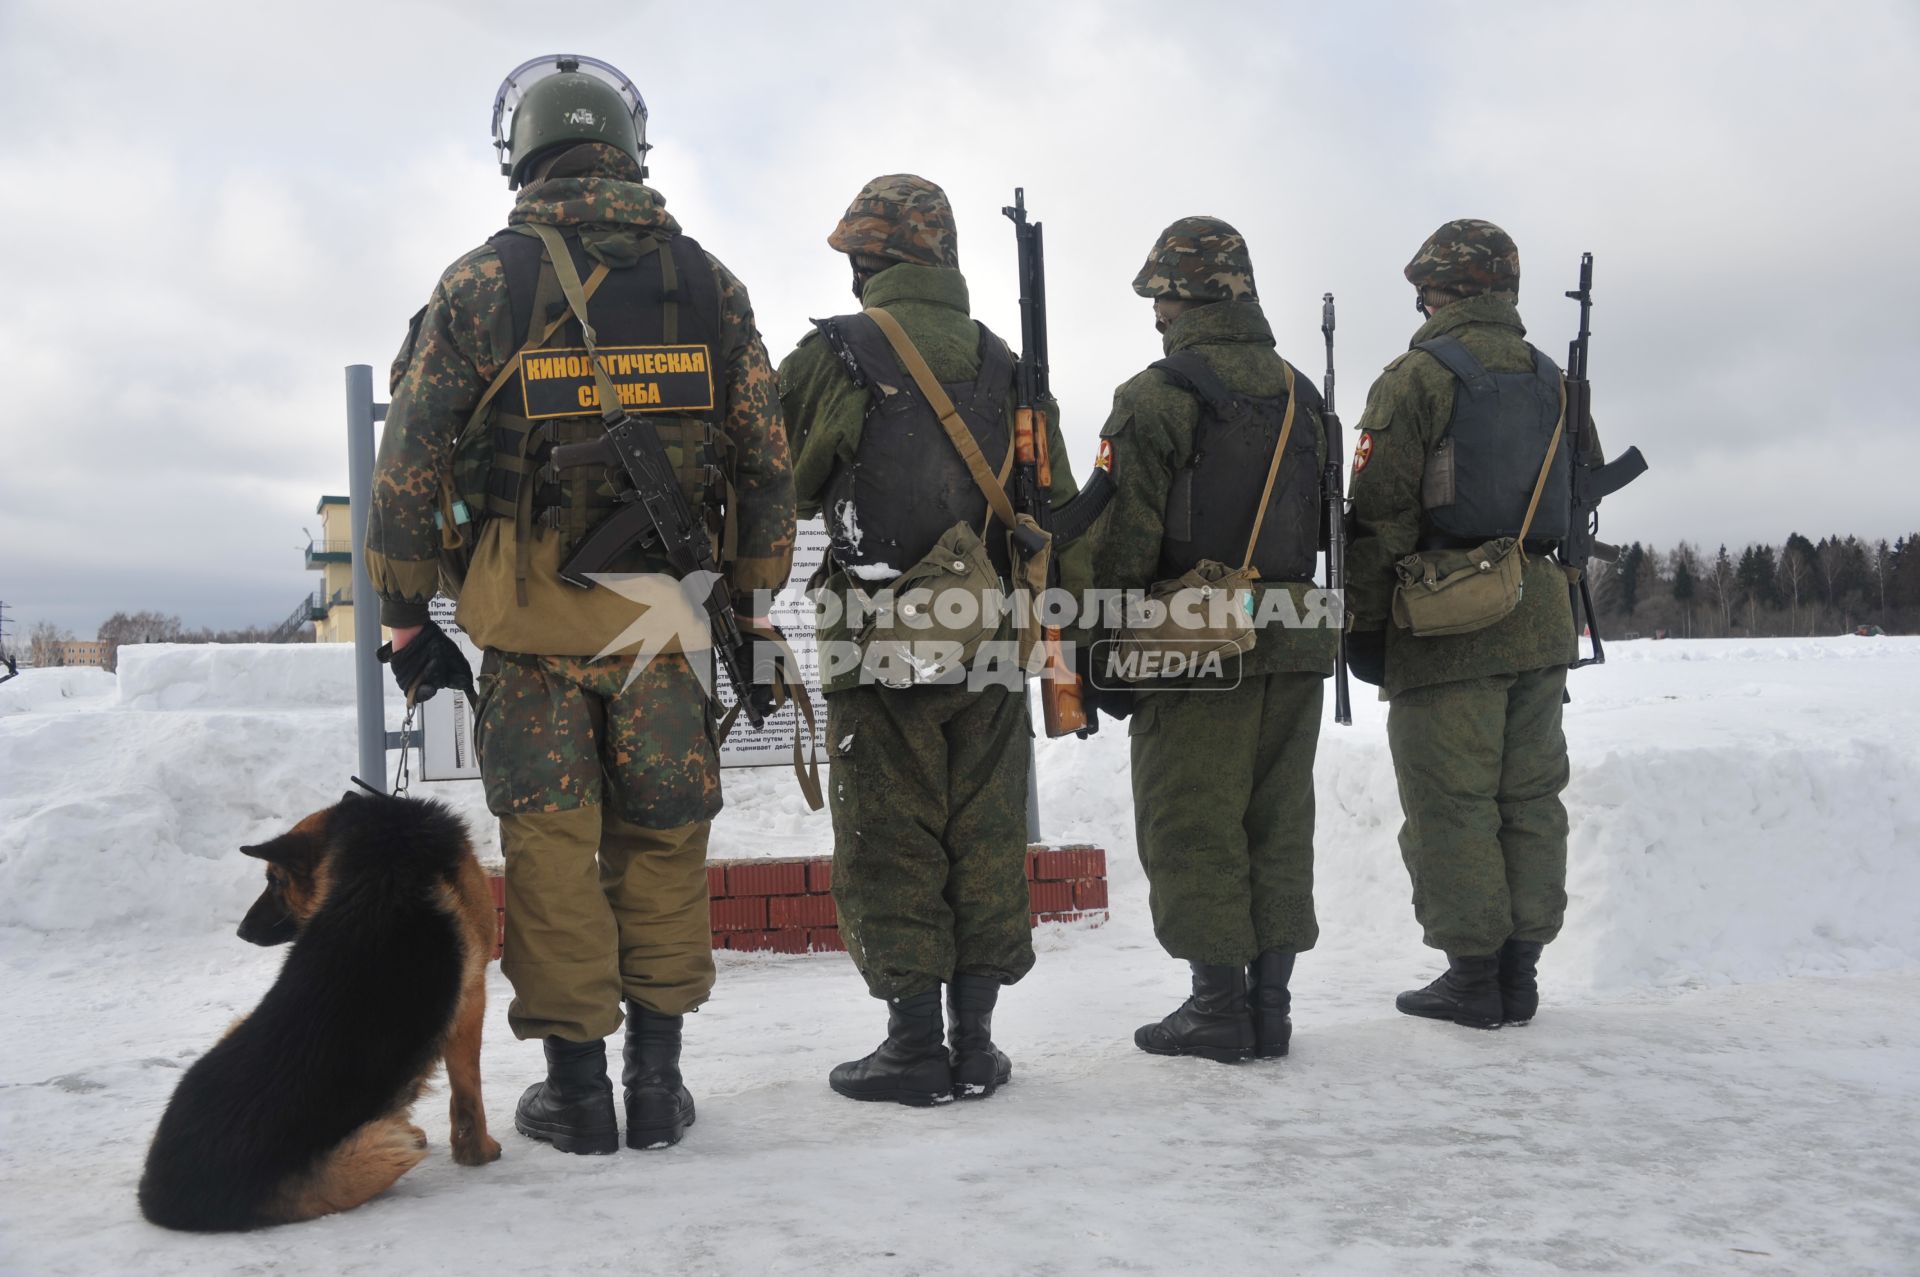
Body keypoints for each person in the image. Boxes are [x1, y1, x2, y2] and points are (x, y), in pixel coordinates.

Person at [367, 55, 794, 1152]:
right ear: (626, 149)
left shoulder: (477, 282)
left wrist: (406, 613)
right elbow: (765, 461)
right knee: (663, 837)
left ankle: (581, 1094)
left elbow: (410, 459)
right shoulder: (709, 283)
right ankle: (659, 1083)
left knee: (552, 847)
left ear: (524, 154)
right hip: (669, 620)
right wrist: (748, 599)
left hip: (526, 624)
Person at [776, 174, 1080, 1105]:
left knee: (889, 830)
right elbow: (1055, 501)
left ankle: (913, 1047)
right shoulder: (1007, 365)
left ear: (872, 258)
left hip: (879, 637)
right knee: (986, 828)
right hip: (989, 634)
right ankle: (977, 1044)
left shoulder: (835, 352)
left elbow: (782, 483)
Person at [1088, 217, 1335, 1063]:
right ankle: (1272, 1006)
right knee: (1277, 820)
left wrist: (1101, 656)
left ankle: (1217, 1006)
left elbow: (1122, 545)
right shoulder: (1307, 395)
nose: (1154, 310)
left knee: (1192, 821)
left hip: (1193, 645)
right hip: (1297, 637)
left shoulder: (1153, 397)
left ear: (1179, 296)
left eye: (1159, 293)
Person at [1345, 218, 1588, 1030]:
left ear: (1444, 291)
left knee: (1452, 803)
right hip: (1544, 616)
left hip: (1445, 618)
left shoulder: (1415, 377)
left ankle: (1473, 977)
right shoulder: (1555, 378)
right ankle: (1520, 975)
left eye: (1427, 291)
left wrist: (1365, 629)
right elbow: (1577, 490)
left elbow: (1378, 520)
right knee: (1529, 799)